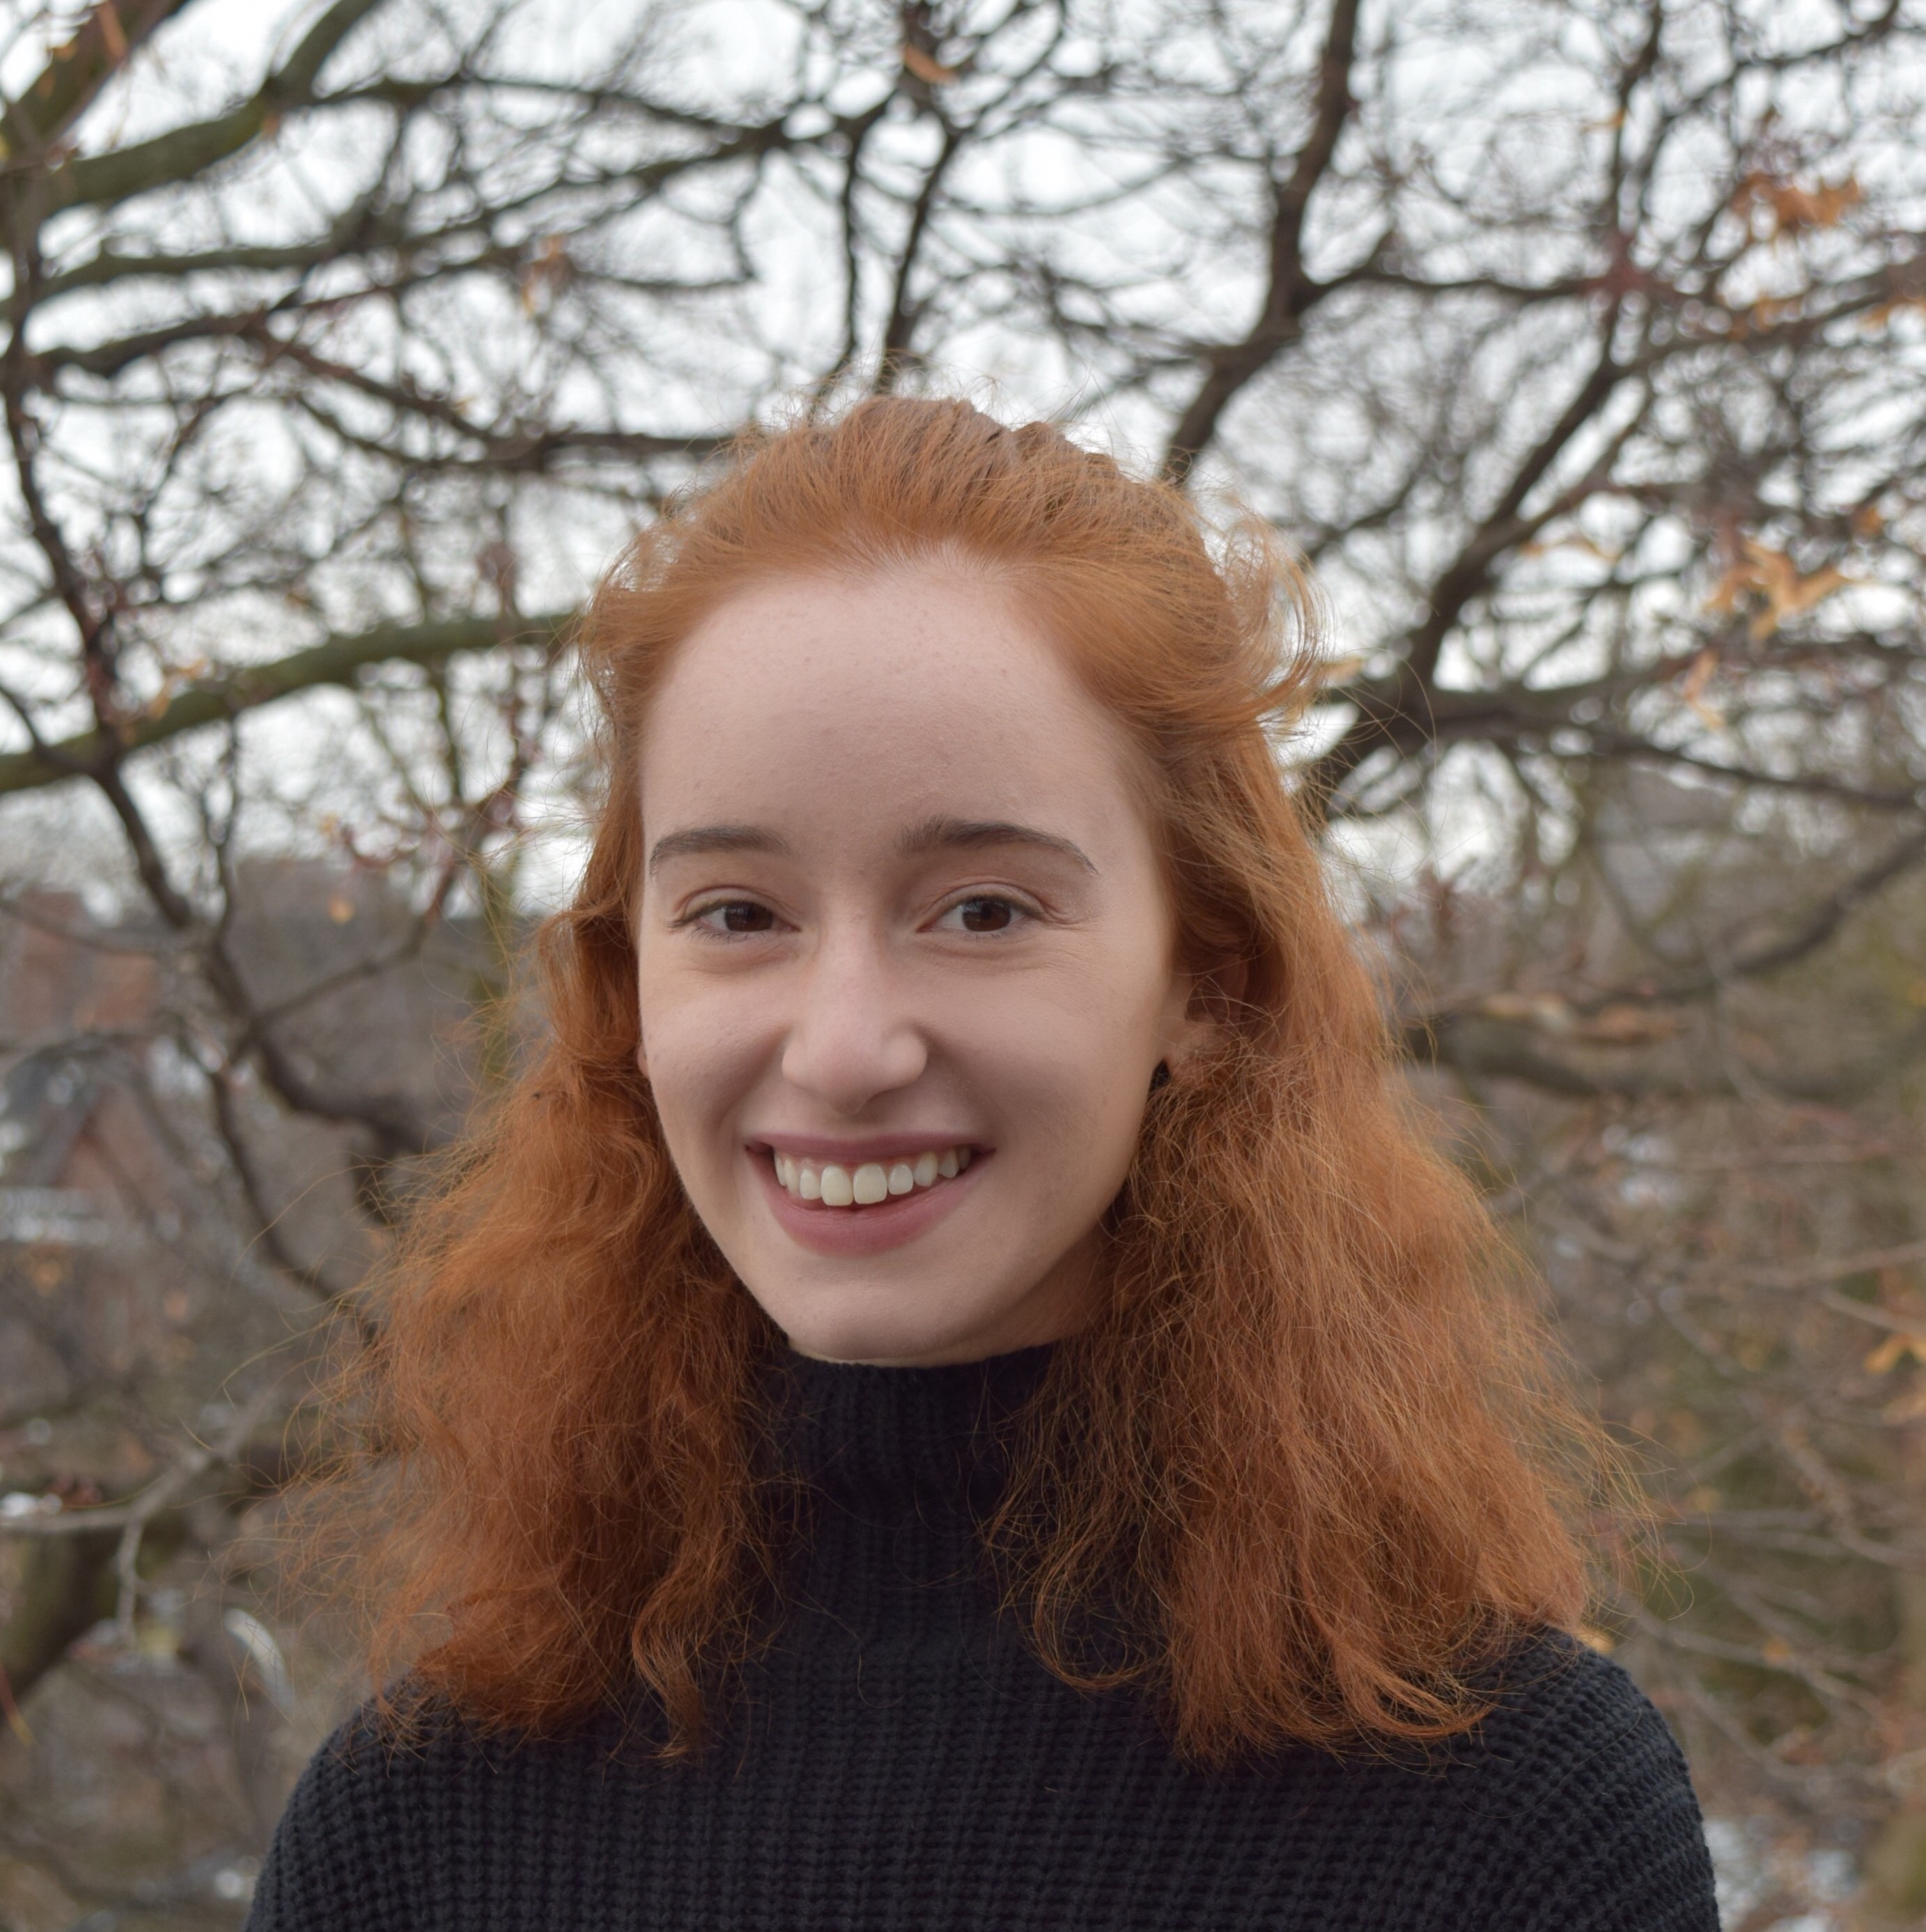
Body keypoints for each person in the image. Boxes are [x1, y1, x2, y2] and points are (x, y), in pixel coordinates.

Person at [247, 398, 1719, 1930]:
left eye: (984, 910)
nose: (842, 1048)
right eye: (740, 913)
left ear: (1203, 986)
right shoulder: (414, 1828)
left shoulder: (1510, 1810)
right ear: (630, 987)